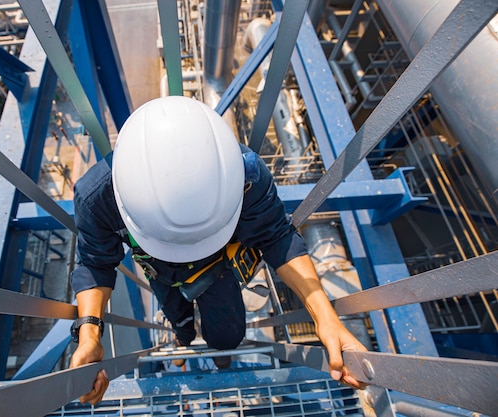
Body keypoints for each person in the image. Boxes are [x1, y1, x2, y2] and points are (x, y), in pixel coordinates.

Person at [68, 96, 367, 405]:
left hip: (216, 268)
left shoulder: (244, 176)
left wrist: (325, 317)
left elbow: (277, 237)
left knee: (227, 334)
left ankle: (221, 356)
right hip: (161, 273)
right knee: (178, 319)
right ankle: (182, 339)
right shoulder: (97, 197)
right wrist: (90, 333)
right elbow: (95, 264)